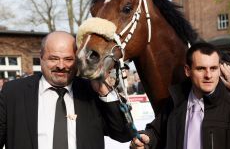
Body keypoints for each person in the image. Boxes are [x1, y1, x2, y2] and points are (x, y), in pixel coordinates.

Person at [0, 31, 132, 149]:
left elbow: (124, 134)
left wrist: (104, 92)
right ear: (41, 58)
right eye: (53, 58)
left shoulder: (92, 93)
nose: (61, 66)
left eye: (68, 59)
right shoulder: (12, 92)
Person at [130, 42, 230, 149]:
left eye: (213, 68)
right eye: (201, 68)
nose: (208, 75)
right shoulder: (175, 101)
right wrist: (147, 139)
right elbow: (156, 133)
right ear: (187, 71)